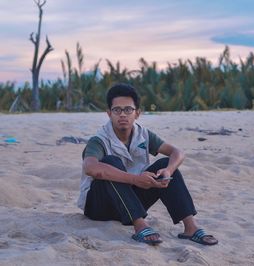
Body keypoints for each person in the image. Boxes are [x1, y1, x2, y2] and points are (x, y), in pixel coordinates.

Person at [77, 83, 218, 246]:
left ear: (137, 113)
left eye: (128, 109)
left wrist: (168, 170)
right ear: (109, 113)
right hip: (99, 206)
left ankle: (191, 228)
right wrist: (135, 179)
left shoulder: (143, 134)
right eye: (117, 110)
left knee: (165, 163)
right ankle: (140, 226)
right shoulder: (99, 140)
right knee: (110, 163)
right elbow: (90, 167)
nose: (123, 114)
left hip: (130, 203)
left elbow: (177, 152)